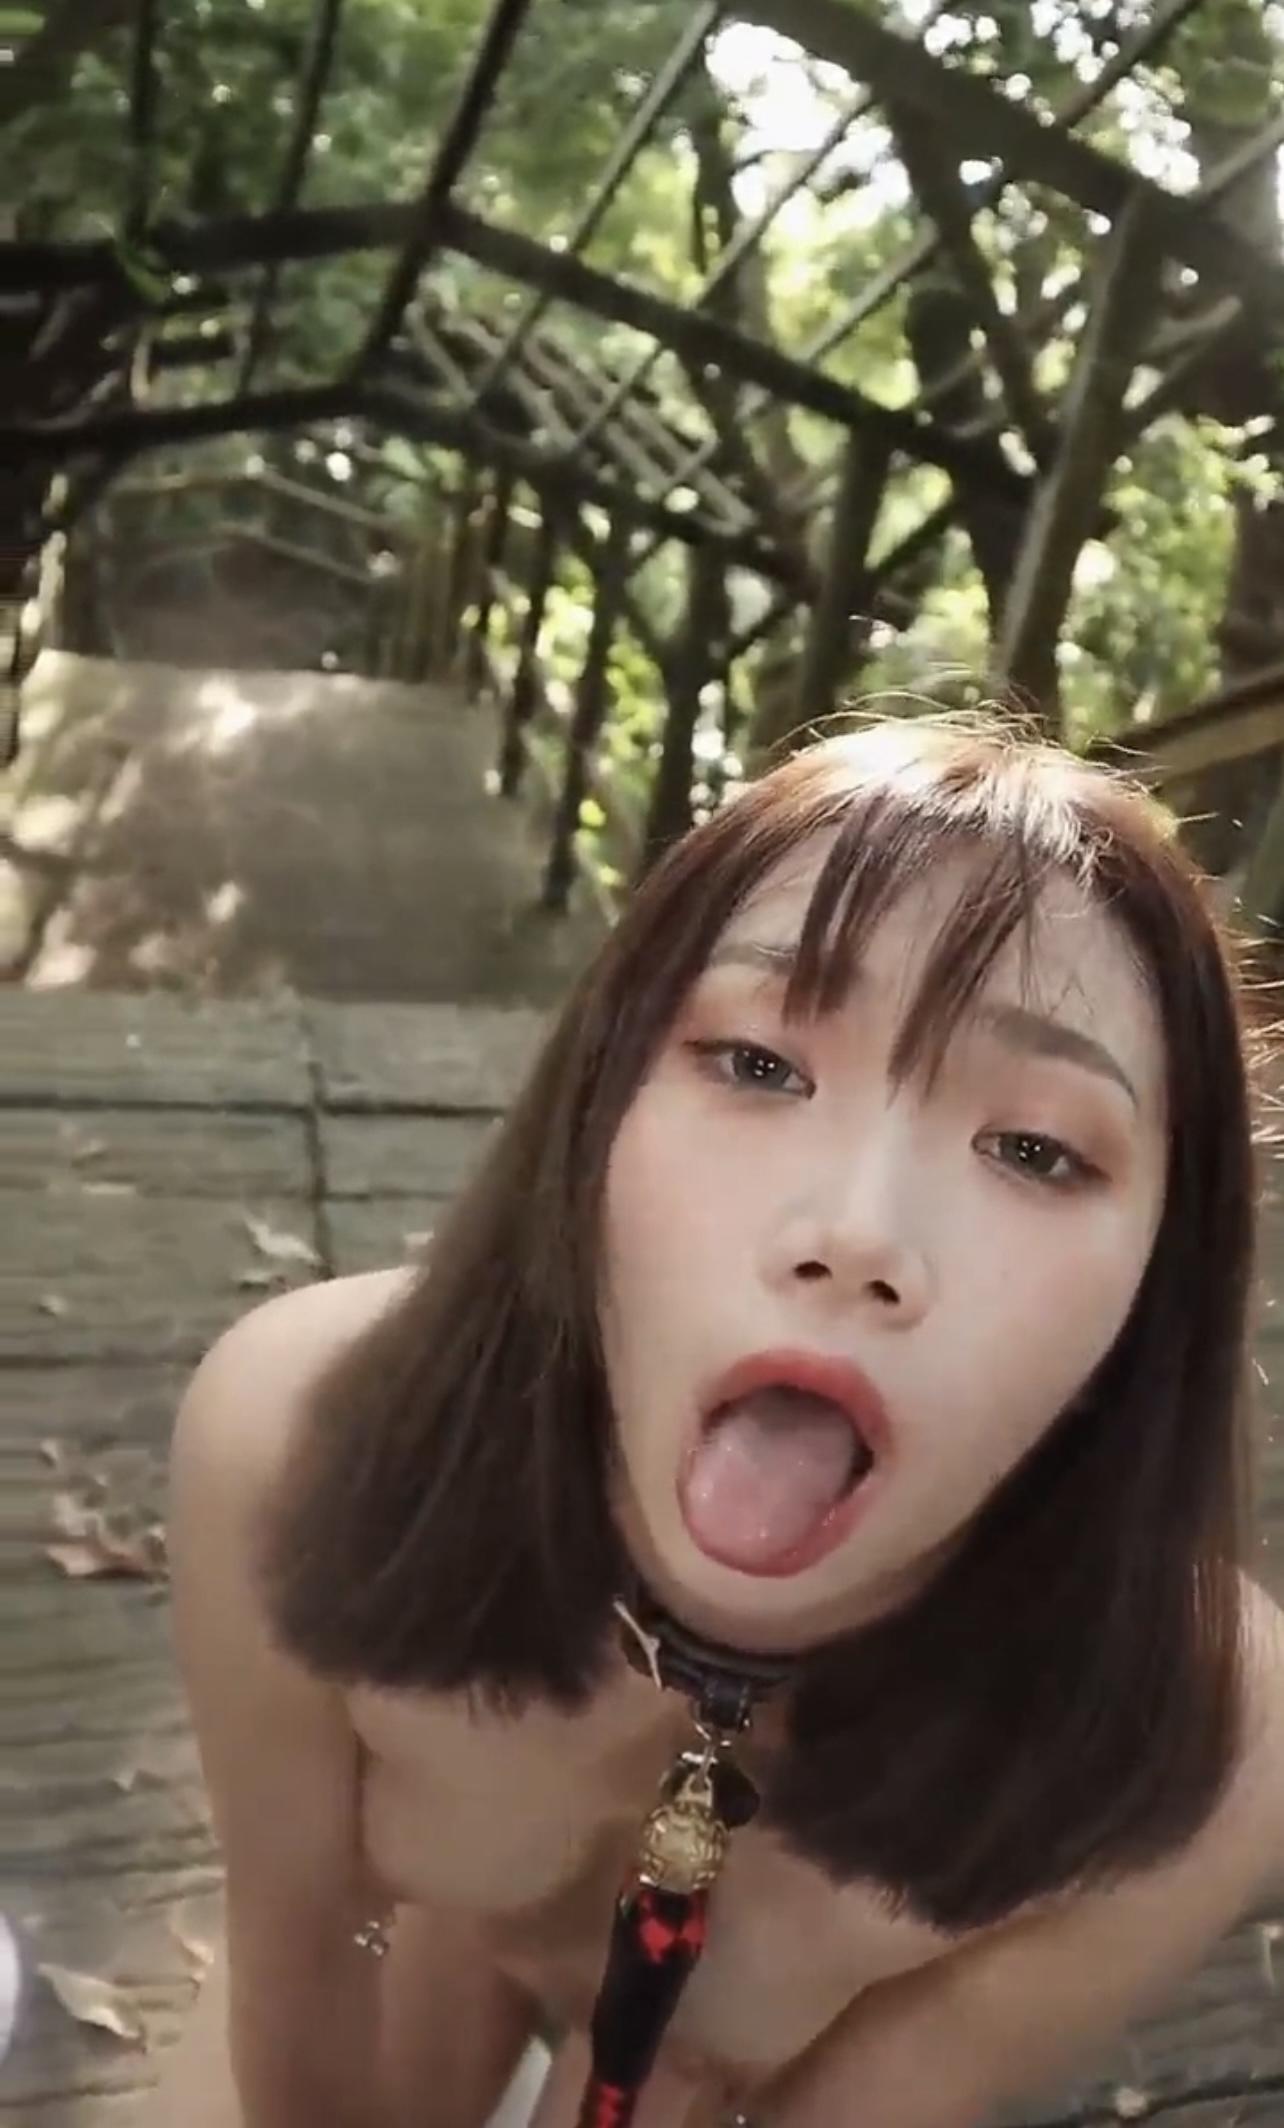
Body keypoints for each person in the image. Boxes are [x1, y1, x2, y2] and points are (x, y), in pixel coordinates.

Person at [143, 708, 1284, 2128]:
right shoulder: (294, 1436)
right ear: (597, 1100)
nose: (857, 1235)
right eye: (756, 1064)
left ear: (1164, 1286)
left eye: (1035, 1149)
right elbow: (293, 1958)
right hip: (421, 1950)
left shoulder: (1202, 1736)